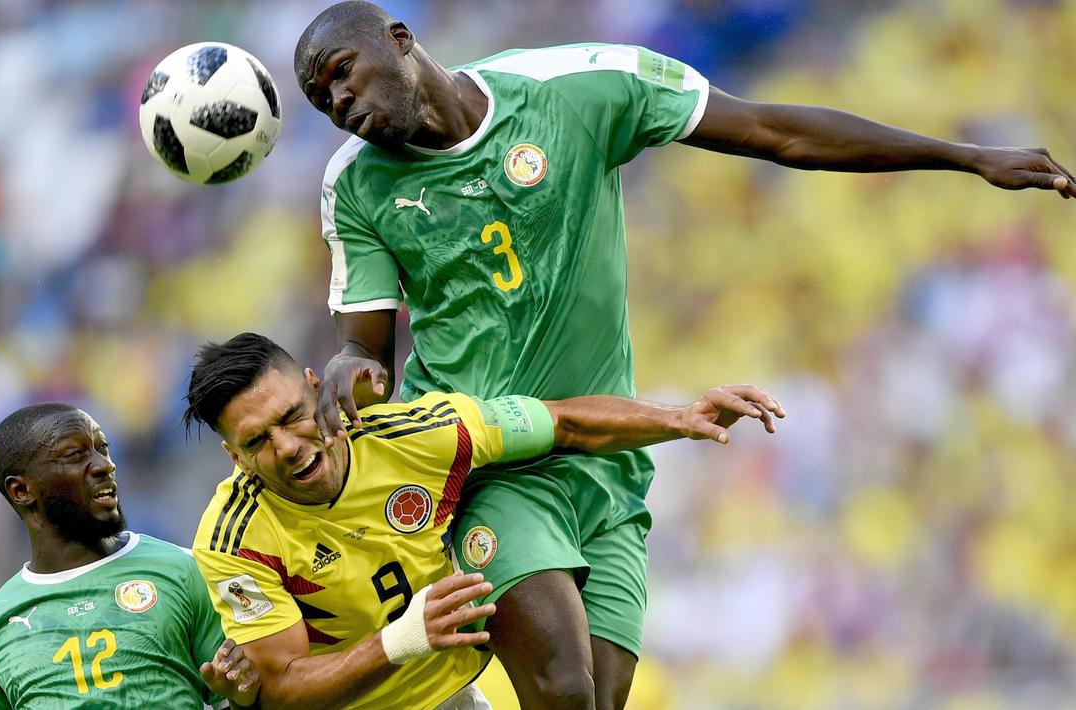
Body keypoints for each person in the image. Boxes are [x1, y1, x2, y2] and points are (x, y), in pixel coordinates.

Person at [292, 3, 1074, 708]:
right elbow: (365, 350)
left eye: (342, 73)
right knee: (562, 688)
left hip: (608, 457)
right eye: (322, 101)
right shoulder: (355, 185)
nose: (340, 103)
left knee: (599, 697)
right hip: (487, 459)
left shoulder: (579, 88)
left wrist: (963, 157)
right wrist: (350, 370)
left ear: (400, 40)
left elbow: (773, 131)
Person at [184, 331, 784, 710]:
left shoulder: (417, 437)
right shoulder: (232, 537)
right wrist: (402, 638)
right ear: (234, 456)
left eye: (292, 415)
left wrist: (679, 418)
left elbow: (563, 422)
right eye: (257, 441)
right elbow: (284, 687)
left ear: (315, 387)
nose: (288, 447)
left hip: (457, 698)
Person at [0, 403, 260, 709]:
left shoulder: (186, 570)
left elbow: (244, 693)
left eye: (102, 449)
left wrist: (243, 700)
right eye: (75, 455)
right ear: (21, 490)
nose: (105, 465)